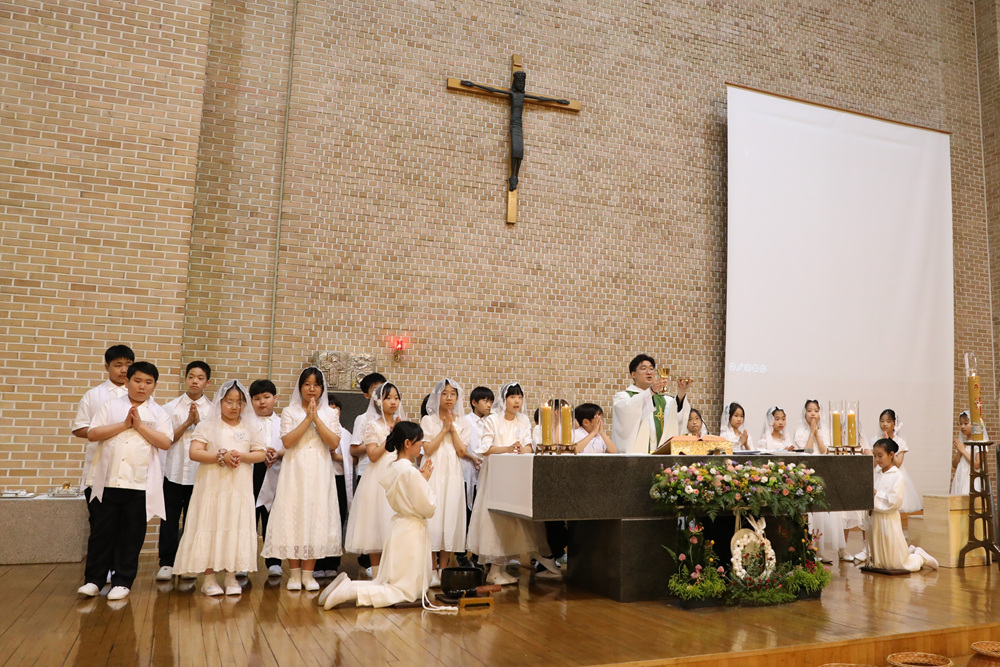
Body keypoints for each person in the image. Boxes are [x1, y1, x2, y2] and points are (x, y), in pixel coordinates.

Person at [320, 421, 451, 611]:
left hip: (399, 527)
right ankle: (352, 591)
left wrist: (421, 479)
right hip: (411, 531)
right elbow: (428, 506)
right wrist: (424, 481)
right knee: (406, 590)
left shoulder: (394, 466)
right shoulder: (411, 472)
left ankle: (351, 586)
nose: (421, 446)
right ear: (408, 443)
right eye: (419, 442)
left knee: (393, 581)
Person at [77, 361, 172, 601]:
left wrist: (138, 426)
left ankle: (122, 581)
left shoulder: (159, 412)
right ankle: (94, 580)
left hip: (140, 484)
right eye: (137, 381)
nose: (142, 386)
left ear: (155, 385)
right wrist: (124, 425)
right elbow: (93, 434)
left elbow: (165, 442)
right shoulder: (110, 406)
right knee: (101, 533)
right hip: (106, 481)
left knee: (131, 534)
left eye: (148, 382)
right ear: (127, 381)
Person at [173, 381, 267, 596]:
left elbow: (260, 453)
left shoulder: (251, 426)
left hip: (239, 486)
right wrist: (220, 457)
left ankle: (231, 577)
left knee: (234, 526)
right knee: (210, 524)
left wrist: (240, 456)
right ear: (220, 402)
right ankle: (209, 579)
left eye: (239, 402)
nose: (234, 407)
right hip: (212, 485)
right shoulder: (207, 425)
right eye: (229, 402)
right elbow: (195, 452)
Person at [260, 367, 343, 591]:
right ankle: (295, 574)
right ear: (300, 387)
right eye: (307, 384)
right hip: (295, 470)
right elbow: (288, 442)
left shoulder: (330, 413)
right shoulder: (289, 411)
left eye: (316, 385)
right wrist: (308, 419)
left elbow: (334, 442)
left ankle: (308, 574)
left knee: (315, 518)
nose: (311, 389)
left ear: (322, 388)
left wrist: (317, 419)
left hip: (320, 470)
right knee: (293, 517)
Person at [467, 382, 547, 585]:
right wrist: (508, 449)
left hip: (515, 476)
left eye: (520, 397)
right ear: (504, 400)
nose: (517, 401)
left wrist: (522, 449)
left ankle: (501, 569)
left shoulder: (523, 419)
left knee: (512, 521)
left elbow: (529, 445)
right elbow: (485, 448)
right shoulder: (493, 420)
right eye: (512, 397)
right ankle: (494, 571)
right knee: (496, 520)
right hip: (495, 476)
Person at [156, 361, 212, 581]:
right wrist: (188, 421)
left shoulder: (214, 410)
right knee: (169, 519)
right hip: (173, 471)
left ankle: (189, 562)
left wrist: (199, 424)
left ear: (208, 382)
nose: (195, 381)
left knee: (194, 519)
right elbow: (166, 440)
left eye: (200, 378)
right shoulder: (170, 407)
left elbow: (213, 441)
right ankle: (167, 563)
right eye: (191, 377)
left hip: (200, 474)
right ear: (185, 379)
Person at [344, 382, 404, 574]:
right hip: (377, 477)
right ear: (378, 402)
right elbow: (372, 455)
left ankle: (393, 572)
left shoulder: (402, 424)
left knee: (396, 524)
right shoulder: (372, 425)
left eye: (396, 398)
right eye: (388, 398)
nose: (393, 402)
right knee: (376, 525)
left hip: (398, 475)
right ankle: (377, 573)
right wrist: (390, 438)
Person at [420, 379, 471, 584]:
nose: (449, 398)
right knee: (433, 517)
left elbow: (461, 451)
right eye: (444, 393)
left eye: (453, 394)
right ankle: (431, 569)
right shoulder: (428, 420)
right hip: (433, 469)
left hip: (452, 472)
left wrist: (453, 429)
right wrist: (443, 429)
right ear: (437, 396)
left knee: (449, 516)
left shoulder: (463, 422)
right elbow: (428, 449)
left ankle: (444, 568)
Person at [867, 439, 937, 571]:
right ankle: (909, 551)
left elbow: (894, 502)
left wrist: (876, 494)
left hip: (888, 520)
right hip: (876, 519)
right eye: (875, 456)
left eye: (880, 456)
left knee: (897, 564)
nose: (877, 459)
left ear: (891, 454)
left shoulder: (897, 476)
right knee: (882, 563)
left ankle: (919, 557)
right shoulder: (876, 474)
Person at [72, 345, 135, 492]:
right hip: (99, 466)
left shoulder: (142, 396)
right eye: (118, 365)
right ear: (107, 367)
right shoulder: (93, 395)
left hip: (131, 470)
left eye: (128, 365)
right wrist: (109, 431)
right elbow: (79, 429)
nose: (124, 370)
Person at [793, 400, 848, 562]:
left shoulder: (825, 431)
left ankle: (834, 550)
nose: (813, 414)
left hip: (824, 473)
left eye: (816, 411)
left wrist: (817, 434)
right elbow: (808, 451)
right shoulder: (799, 432)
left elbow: (825, 452)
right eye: (809, 410)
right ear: (804, 413)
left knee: (827, 513)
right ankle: (813, 550)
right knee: (812, 515)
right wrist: (811, 433)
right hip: (808, 474)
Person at [612, 354, 691, 453]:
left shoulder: (665, 400)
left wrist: (681, 394)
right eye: (643, 368)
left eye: (651, 369)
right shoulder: (623, 397)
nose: (649, 372)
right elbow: (626, 411)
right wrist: (651, 391)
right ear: (633, 374)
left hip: (660, 456)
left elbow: (676, 417)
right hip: (637, 456)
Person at [349, 372, 386, 575]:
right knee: (370, 519)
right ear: (366, 395)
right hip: (368, 471)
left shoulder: (396, 418)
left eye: (383, 389)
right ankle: (369, 562)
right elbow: (354, 449)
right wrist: (376, 442)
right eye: (375, 390)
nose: (380, 394)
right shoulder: (362, 419)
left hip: (390, 473)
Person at [314, 393, 354, 577]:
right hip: (319, 480)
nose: (332, 411)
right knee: (318, 521)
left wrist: (336, 456)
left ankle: (332, 563)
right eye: (327, 407)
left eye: (335, 407)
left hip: (338, 480)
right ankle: (316, 564)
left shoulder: (345, 434)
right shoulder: (315, 430)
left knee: (336, 521)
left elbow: (352, 459)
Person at [250, 379, 284, 578]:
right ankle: (245, 561)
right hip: (252, 472)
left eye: (266, 397)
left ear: (275, 399)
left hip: (277, 471)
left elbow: (291, 445)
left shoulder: (283, 422)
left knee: (273, 518)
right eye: (257, 398)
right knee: (249, 518)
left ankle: (274, 561)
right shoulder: (246, 422)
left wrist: (277, 453)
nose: (262, 402)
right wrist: (260, 454)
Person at [458, 386, 491, 567]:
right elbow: (458, 446)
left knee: (481, 515)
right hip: (467, 470)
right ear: (474, 402)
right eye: (485, 401)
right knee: (465, 514)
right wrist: (472, 457)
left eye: (491, 401)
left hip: (484, 472)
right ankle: (461, 554)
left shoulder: (490, 422)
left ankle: (478, 555)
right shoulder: (464, 421)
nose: (489, 405)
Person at [871, 409, 921, 513]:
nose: (884, 424)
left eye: (888, 421)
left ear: (895, 423)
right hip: (879, 474)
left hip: (893, 475)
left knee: (892, 504)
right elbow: (874, 463)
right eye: (882, 421)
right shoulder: (874, 440)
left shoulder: (900, 441)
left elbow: (898, 463)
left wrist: (888, 445)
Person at [952, 410, 988, 495]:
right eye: (960, 423)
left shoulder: (979, 442)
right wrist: (959, 451)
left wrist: (963, 451)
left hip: (972, 477)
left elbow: (977, 464)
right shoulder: (963, 443)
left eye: (966, 423)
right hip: (960, 475)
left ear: (973, 424)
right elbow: (954, 465)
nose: (962, 426)